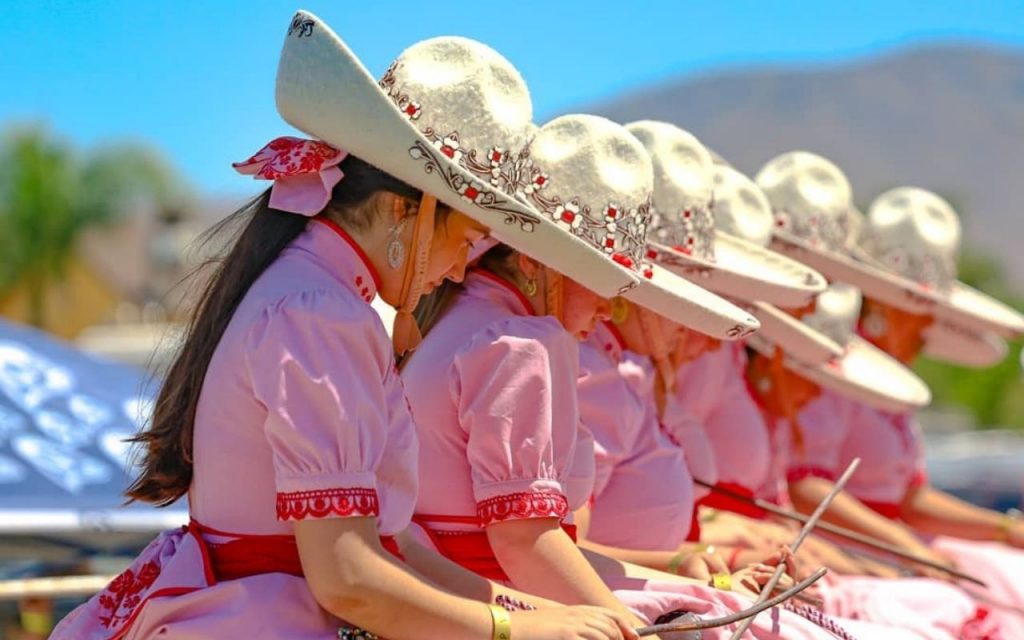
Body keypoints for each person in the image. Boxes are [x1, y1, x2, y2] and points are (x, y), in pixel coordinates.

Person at [52, 12, 640, 640]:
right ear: (402, 212)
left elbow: (395, 554)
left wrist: (548, 617)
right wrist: (513, 630)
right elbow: (348, 580)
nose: (455, 268)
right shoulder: (319, 314)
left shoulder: (311, 294)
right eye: (464, 238)